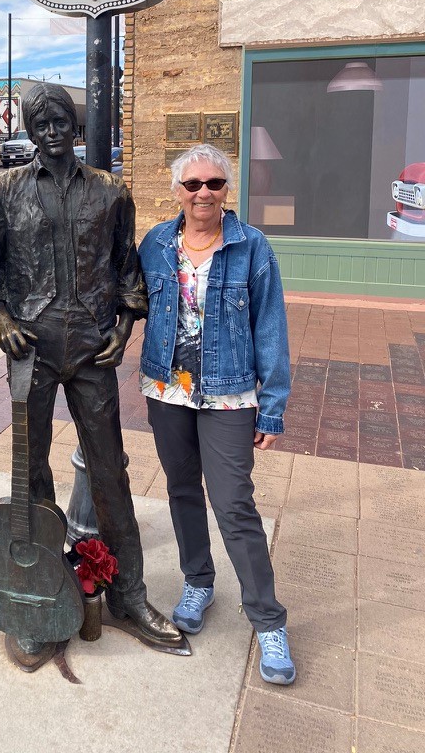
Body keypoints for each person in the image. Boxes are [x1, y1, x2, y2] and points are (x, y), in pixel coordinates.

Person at [0, 82, 185, 651]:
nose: (51, 129)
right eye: (39, 122)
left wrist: (124, 327)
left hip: (92, 347)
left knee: (110, 469)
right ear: (31, 130)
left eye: (60, 119)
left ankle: (129, 595)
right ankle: (38, 593)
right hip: (31, 348)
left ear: (75, 124)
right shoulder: (4, 190)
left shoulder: (111, 192)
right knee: (31, 473)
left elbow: (126, 269)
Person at [138, 143, 295, 684]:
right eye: (192, 185)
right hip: (167, 390)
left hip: (229, 394)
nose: (203, 193)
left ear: (228, 190)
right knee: (182, 491)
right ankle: (198, 580)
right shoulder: (156, 243)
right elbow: (129, 300)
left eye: (214, 184)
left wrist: (271, 408)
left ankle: (268, 619)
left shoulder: (251, 247)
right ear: (177, 191)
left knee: (233, 505)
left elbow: (270, 328)